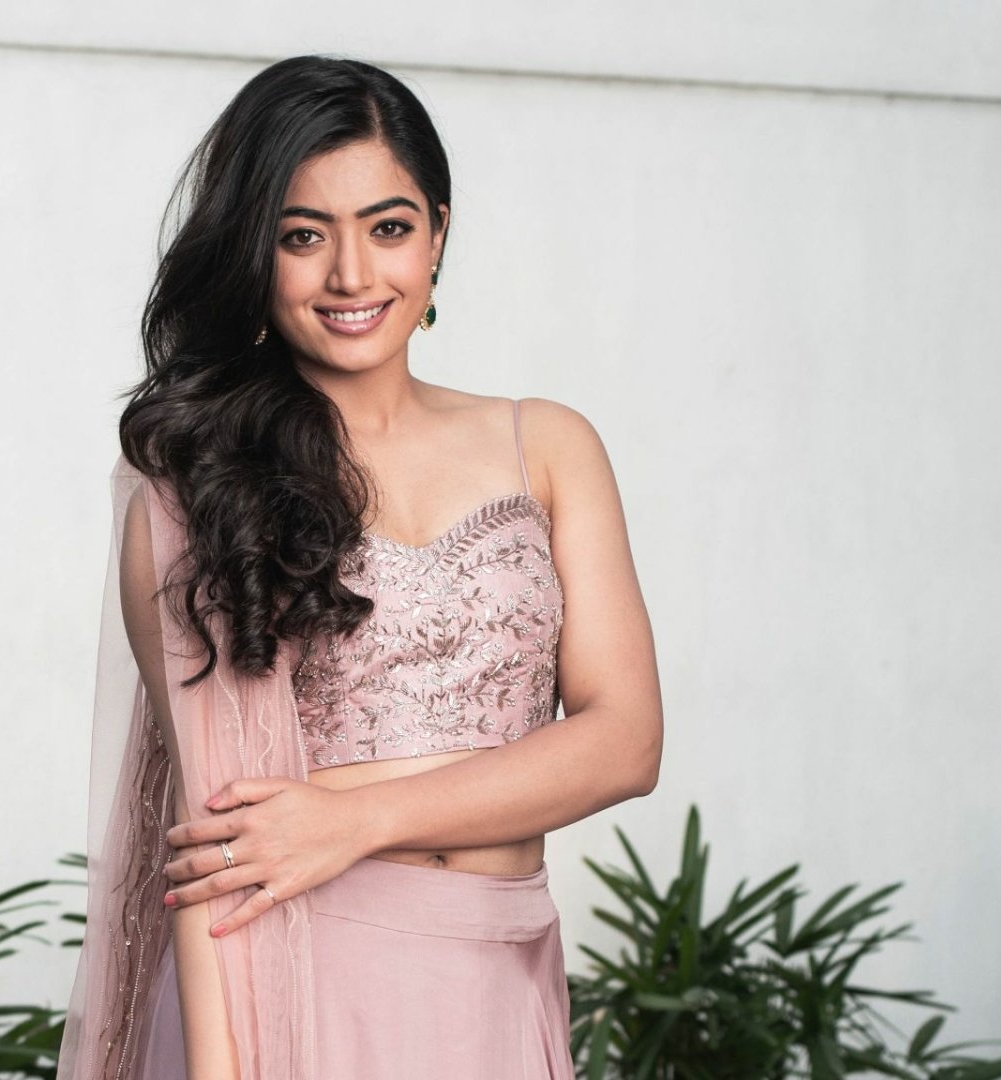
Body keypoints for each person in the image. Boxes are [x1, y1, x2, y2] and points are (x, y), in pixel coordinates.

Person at [59, 54, 662, 1079]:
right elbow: (213, 845)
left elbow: (624, 741)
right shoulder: (202, 481)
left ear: (438, 232)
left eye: (388, 228)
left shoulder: (548, 446)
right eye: (304, 237)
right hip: (302, 979)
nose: (351, 276)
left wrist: (355, 819)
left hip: (499, 980)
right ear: (256, 252)